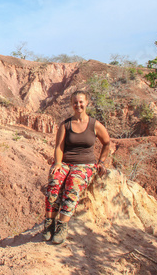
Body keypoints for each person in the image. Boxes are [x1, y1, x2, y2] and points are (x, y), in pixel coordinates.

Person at [43, 90, 111, 244]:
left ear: (87, 103)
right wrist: (58, 163)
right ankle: (49, 223)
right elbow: (59, 147)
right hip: (66, 162)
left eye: (81, 102)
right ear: (71, 104)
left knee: (73, 183)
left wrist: (101, 162)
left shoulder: (95, 124)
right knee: (54, 182)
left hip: (85, 164)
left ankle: (62, 225)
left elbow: (107, 143)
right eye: (75, 102)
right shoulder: (66, 125)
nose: (78, 105)